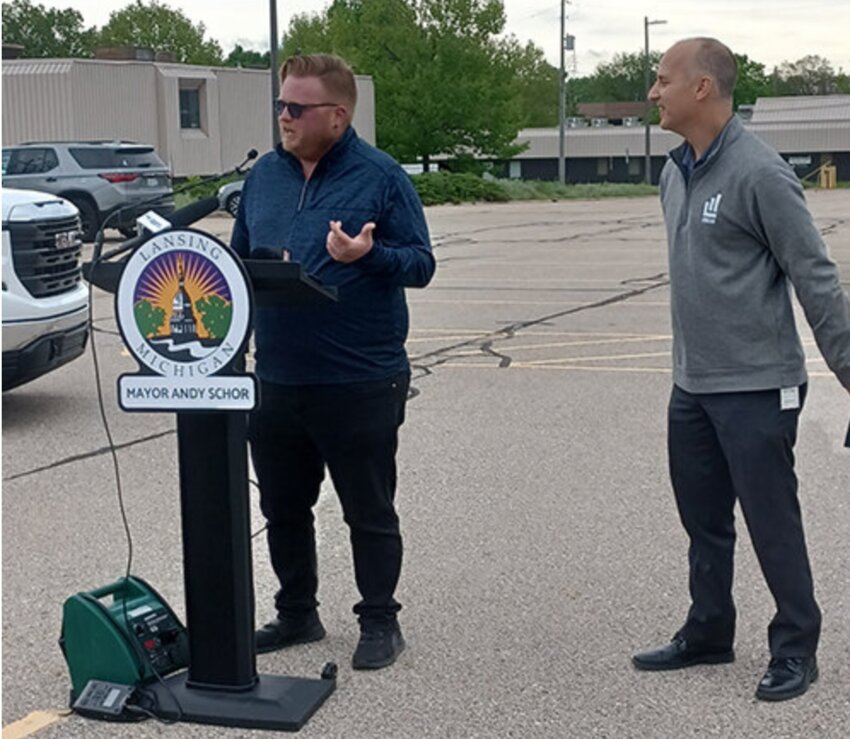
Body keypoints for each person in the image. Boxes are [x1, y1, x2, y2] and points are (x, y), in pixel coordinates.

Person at [632, 38, 850, 701]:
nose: (652, 92)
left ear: (702, 89)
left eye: (662, 80)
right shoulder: (676, 170)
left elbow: (814, 274)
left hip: (758, 385)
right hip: (692, 383)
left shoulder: (759, 172)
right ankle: (709, 628)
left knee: (770, 518)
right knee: (703, 519)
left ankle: (795, 646)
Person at [230, 53, 435, 670]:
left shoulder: (381, 177)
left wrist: (367, 257)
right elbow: (238, 266)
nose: (284, 117)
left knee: (367, 508)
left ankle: (379, 621)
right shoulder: (265, 176)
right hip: (277, 376)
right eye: (280, 105)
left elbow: (420, 265)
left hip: (359, 377)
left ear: (338, 117)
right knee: (282, 506)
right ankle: (297, 613)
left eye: (297, 107)